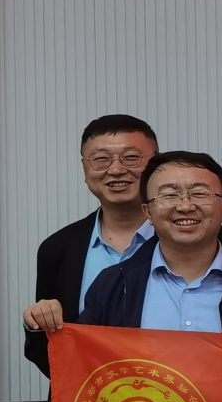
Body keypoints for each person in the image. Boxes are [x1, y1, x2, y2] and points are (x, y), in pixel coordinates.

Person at [81, 152, 222, 334]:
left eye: (199, 194)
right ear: (148, 212)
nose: (185, 206)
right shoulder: (112, 285)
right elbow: (86, 357)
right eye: (169, 195)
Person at [23, 114, 159, 377]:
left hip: (180, 394)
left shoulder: (200, 238)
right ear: (85, 169)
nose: (116, 170)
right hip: (88, 396)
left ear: (156, 164)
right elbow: (48, 350)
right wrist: (36, 323)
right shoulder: (58, 248)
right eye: (101, 159)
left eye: (131, 157)